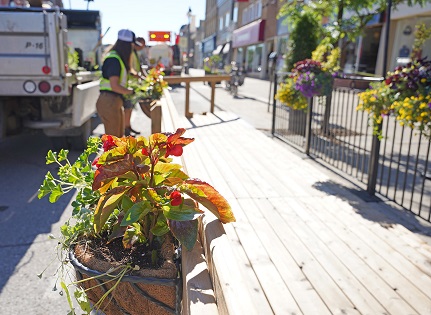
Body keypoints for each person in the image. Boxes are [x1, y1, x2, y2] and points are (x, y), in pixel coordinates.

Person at [96, 29, 142, 137]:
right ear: (126, 45)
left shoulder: (117, 58)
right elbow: (114, 86)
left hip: (113, 101)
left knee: (119, 140)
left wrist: (134, 75)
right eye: (131, 45)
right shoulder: (114, 59)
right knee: (114, 142)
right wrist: (131, 91)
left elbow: (120, 76)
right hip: (109, 101)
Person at [124, 36, 146, 136]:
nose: (142, 47)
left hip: (133, 83)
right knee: (127, 107)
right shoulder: (130, 52)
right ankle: (126, 128)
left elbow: (139, 67)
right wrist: (138, 76)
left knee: (130, 107)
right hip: (129, 83)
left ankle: (128, 126)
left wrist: (144, 77)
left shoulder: (135, 53)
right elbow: (130, 68)